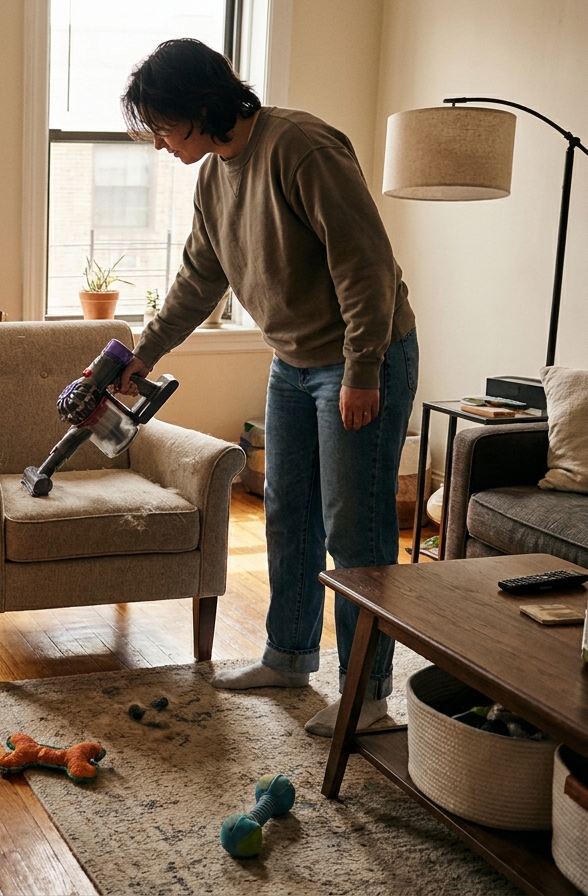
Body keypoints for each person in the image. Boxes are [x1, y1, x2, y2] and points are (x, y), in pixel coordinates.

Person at [116, 38, 418, 737]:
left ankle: (368, 693)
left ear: (199, 107)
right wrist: (145, 351)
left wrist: (364, 369)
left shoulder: (302, 147)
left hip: (358, 354)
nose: (159, 143)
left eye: (162, 126)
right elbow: (199, 278)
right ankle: (288, 656)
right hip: (292, 361)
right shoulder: (215, 177)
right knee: (288, 511)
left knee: (357, 527)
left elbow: (364, 264)